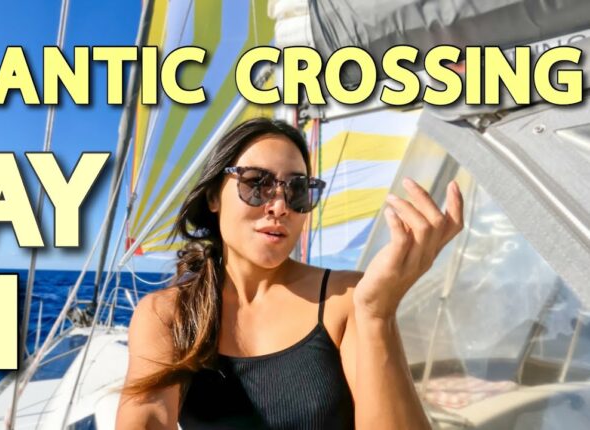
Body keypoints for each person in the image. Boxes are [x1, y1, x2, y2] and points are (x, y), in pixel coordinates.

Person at [115, 118, 464, 429]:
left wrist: (377, 315)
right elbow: (147, 420)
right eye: (256, 183)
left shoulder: (347, 298)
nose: (280, 206)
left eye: (297, 190)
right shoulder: (167, 315)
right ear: (213, 197)